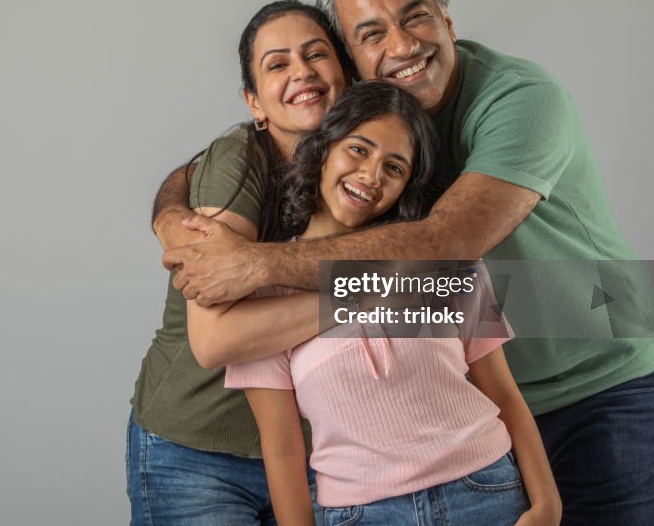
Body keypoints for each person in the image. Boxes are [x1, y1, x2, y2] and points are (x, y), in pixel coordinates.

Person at [157, 0, 654, 525]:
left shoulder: (522, 99)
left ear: (448, 21)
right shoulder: (377, 127)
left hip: (597, 379)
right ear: (352, 63)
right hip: (479, 413)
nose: (402, 46)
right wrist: (171, 205)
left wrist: (259, 265)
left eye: (417, 17)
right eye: (372, 33)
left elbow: (449, 245)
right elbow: (220, 161)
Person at [225, 82, 560, 526]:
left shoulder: (442, 265)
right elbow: (283, 447)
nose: (371, 175)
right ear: (324, 147)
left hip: (485, 493)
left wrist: (547, 505)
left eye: (395, 167)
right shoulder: (265, 289)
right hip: (361, 515)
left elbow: (503, 393)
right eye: (359, 149)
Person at [128, 0, 354, 525]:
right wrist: (369, 293)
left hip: (322, 452)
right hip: (198, 450)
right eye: (277, 64)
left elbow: (461, 293)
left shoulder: (372, 159)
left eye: (316, 54)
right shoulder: (237, 160)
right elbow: (214, 341)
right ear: (255, 103)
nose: (301, 71)